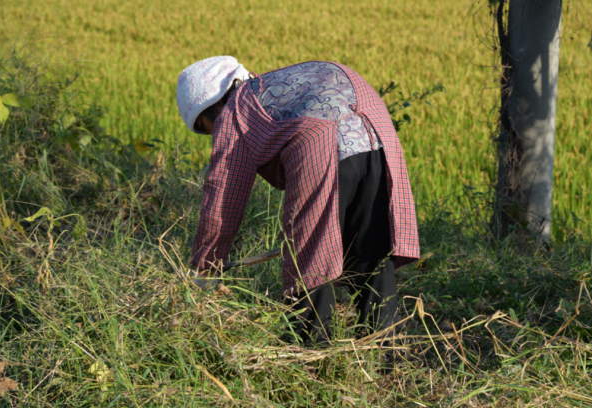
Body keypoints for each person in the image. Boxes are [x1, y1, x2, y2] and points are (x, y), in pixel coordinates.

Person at [176, 56, 420, 346]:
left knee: (310, 253)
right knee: (372, 249)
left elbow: (223, 195)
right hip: (375, 129)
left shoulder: (234, 109)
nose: (212, 135)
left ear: (210, 107)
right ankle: (385, 358)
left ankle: (312, 355)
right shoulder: (269, 87)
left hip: (322, 142)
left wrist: (207, 261)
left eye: (205, 127)